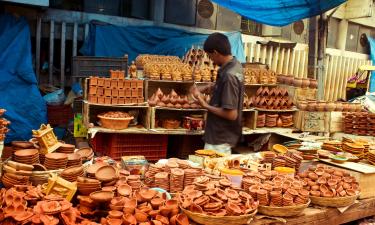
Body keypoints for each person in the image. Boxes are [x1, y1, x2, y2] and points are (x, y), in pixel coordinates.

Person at [191, 33, 244, 155]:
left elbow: (231, 114)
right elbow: (223, 88)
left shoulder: (229, 76)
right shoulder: (235, 65)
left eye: (210, 56)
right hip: (223, 136)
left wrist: (205, 105)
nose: (211, 60)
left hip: (220, 138)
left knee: (213, 171)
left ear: (215, 52)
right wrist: (205, 88)